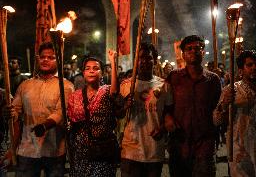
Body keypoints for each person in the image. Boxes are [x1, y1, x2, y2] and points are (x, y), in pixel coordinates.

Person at [5, 42, 74, 177]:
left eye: (51, 57)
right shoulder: (26, 85)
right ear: (38, 58)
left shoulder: (66, 86)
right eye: (42, 57)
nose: (45, 60)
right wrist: (10, 113)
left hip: (54, 150)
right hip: (27, 149)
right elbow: (16, 113)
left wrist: (44, 126)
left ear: (58, 59)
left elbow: (61, 112)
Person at [213, 50, 256, 177]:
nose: (254, 67)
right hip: (240, 153)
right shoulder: (230, 91)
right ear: (240, 70)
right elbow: (217, 121)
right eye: (249, 65)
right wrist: (224, 104)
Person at [165, 35, 221, 177]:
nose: (193, 51)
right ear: (183, 54)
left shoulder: (213, 80)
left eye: (198, 48)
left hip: (205, 143)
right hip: (179, 143)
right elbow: (165, 104)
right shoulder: (173, 77)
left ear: (203, 52)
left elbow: (218, 109)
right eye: (189, 49)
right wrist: (167, 118)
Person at [120, 42, 173, 177]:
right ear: (135, 61)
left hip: (154, 150)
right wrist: (125, 105)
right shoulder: (126, 85)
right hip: (130, 151)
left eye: (149, 58)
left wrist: (162, 128)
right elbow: (118, 114)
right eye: (140, 58)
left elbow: (169, 113)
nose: (144, 61)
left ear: (154, 61)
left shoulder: (164, 86)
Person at [67, 50, 124, 177]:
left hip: (102, 150)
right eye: (87, 68)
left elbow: (115, 92)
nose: (91, 71)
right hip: (80, 151)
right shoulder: (75, 95)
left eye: (96, 68)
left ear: (102, 73)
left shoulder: (107, 91)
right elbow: (71, 120)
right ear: (83, 73)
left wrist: (113, 61)